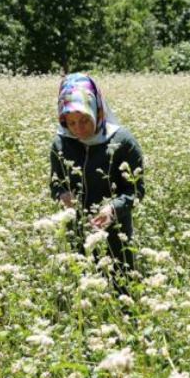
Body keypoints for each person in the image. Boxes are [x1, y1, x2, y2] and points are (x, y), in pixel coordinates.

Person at [49, 73, 144, 285]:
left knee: (121, 290)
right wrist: (62, 195)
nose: (78, 129)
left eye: (84, 120)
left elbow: (136, 190)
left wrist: (113, 209)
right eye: (71, 122)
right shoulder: (60, 144)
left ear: (97, 110)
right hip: (77, 232)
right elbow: (56, 184)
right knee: (82, 290)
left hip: (115, 236)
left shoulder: (123, 141)